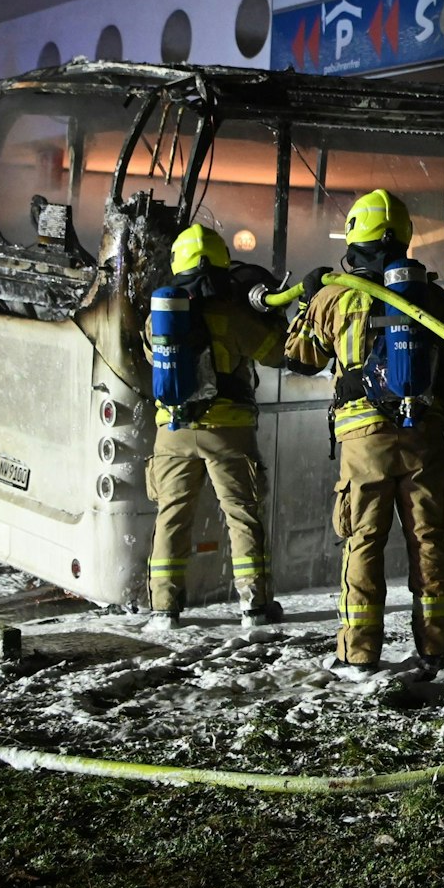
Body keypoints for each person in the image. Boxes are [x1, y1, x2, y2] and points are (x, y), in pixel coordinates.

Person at [285, 189, 444, 678]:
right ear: (405, 234)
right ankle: (435, 648)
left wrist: (308, 299)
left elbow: (298, 358)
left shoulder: (334, 294)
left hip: (362, 437)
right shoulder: (430, 295)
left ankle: (357, 654)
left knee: (363, 540)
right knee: (429, 539)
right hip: (424, 433)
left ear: (354, 231)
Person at [145, 224, 288, 631]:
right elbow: (277, 353)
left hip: (172, 430)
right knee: (241, 514)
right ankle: (254, 607)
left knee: (171, 515)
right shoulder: (230, 316)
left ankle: (164, 609)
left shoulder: (158, 319)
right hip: (228, 428)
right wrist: (270, 313)